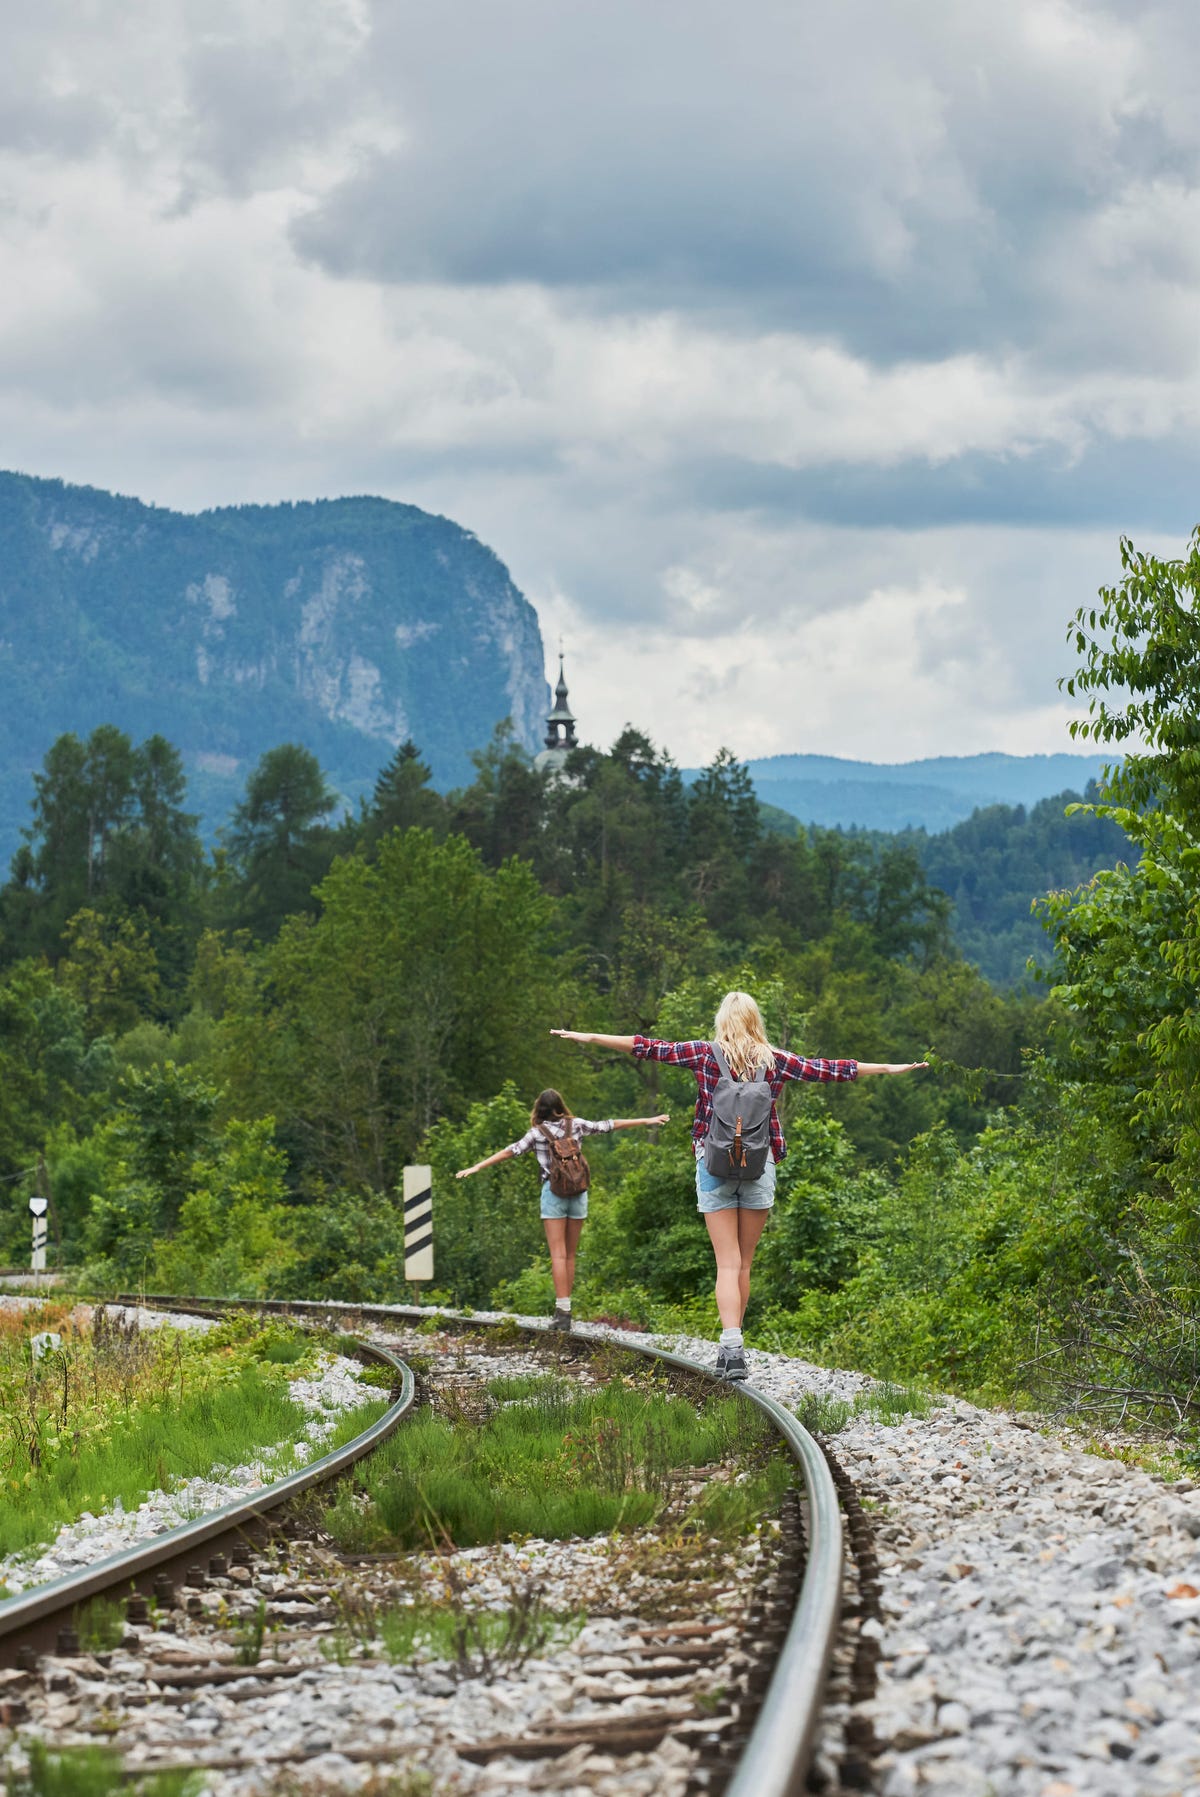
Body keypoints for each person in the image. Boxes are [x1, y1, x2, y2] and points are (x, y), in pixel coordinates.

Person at [552, 992, 927, 1380]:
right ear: (754, 1021)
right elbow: (829, 1069)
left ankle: (731, 1347)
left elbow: (645, 1047)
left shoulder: (702, 1053)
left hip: (713, 1165)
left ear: (722, 1021)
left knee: (726, 1263)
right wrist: (888, 1068)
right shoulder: (775, 1060)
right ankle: (735, 1349)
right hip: (759, 1165)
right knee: (744, 1263)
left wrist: (587, 1036)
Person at [455, 1089, 669, 1332]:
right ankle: (566, 1310)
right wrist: (646, 1120)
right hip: (579, 1193)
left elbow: (510, 1151)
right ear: (560, 1106)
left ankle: (563, 1312)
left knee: (558, 1254)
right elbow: (609, 1125)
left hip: (553, 1193)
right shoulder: (575, 1125)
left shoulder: (536, 1133)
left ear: (538, 1109)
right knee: (570, 1255)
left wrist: (477, 1166)